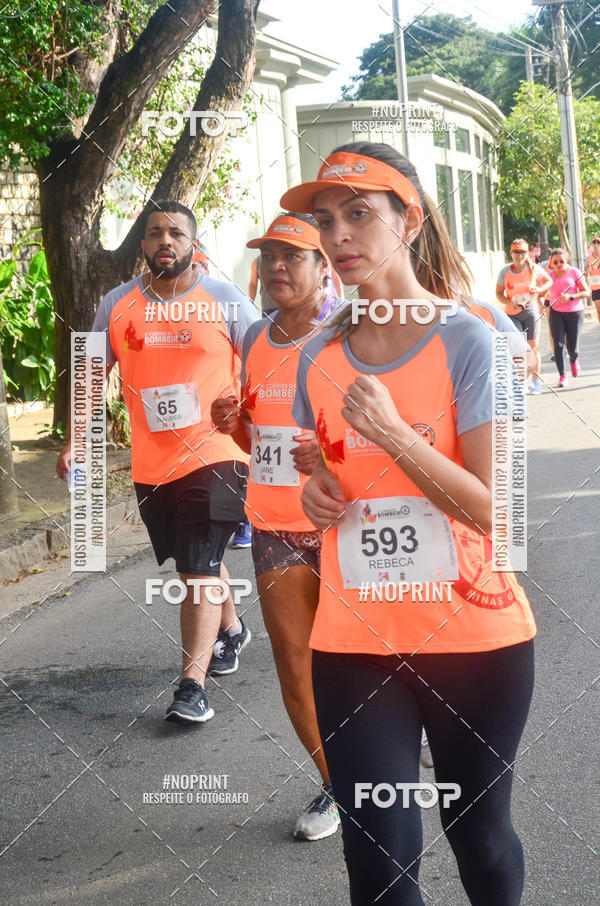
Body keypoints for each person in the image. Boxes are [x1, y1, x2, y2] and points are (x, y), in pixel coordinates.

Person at [281, 142, 536, 905]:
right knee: (380, 866)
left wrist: (395, 434)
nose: (339, 236)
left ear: (410, 220)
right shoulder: (317, 357)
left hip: (474, 639)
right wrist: (315, 495)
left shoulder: (472, 341)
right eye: (326, 220)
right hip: (356, 642)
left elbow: (504, 510)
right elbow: (326, 477)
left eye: (360, 214)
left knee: (481, 843)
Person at [56, 201, 259, 723]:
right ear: (143, 246)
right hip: (154, 464)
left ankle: (191, 686)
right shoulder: (117, 304)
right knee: (196, 561)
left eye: (175, 232)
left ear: (194, 244)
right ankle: (232, 628)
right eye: (153, 233)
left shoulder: (223, 298)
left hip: (218, 454)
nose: (164, 240)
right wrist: (78, 439)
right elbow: (89, 374)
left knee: (196, 564)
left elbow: (268, 359)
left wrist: (258, 426)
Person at [211, 212, 342, 840]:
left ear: (324, 268)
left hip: (347, 523)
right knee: (295, 663)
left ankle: (395, 751)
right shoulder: (256, 339)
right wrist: (231, 420)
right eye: (269, 257)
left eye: (293, 256)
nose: (278, 268)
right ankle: (335, 784)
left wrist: (334, 452)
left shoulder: (350, 335)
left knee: (373, 660)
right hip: (274, 527)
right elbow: (254, 434)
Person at [495, 239, 552, 395]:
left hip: (530, 313)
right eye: (516, 252)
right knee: (517, 349)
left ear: (526, 253)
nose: (519, 255)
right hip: (512, 314)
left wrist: (539, 289)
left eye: (522, 252)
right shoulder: (505, 272)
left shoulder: (533, 269)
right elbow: (499, 294)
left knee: (532, 348)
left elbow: (549, 281)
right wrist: (510, 302)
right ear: (511, 253)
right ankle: (519, 383)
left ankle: (535, 382)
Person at [547, 248, 590, 388]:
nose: (559, 264)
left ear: (567, 259)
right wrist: (543, 301)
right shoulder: (549, 276)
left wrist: (571, 297)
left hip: (574, 312)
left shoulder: (575, 272)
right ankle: (562, 375)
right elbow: (543, 292)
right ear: (551, 262)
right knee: (558, 344)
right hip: (556, 312)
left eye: (562, 261)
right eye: (555, 262)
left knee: (572, 345)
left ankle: (574, 359)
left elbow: (586, 292)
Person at [585, 236, 600, 322]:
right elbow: (585, 274)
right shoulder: (588, 258)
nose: (596, 244)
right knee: (599, 310)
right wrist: (587, 271)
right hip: (595, 288)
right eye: (594, 242)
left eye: (598, 243)